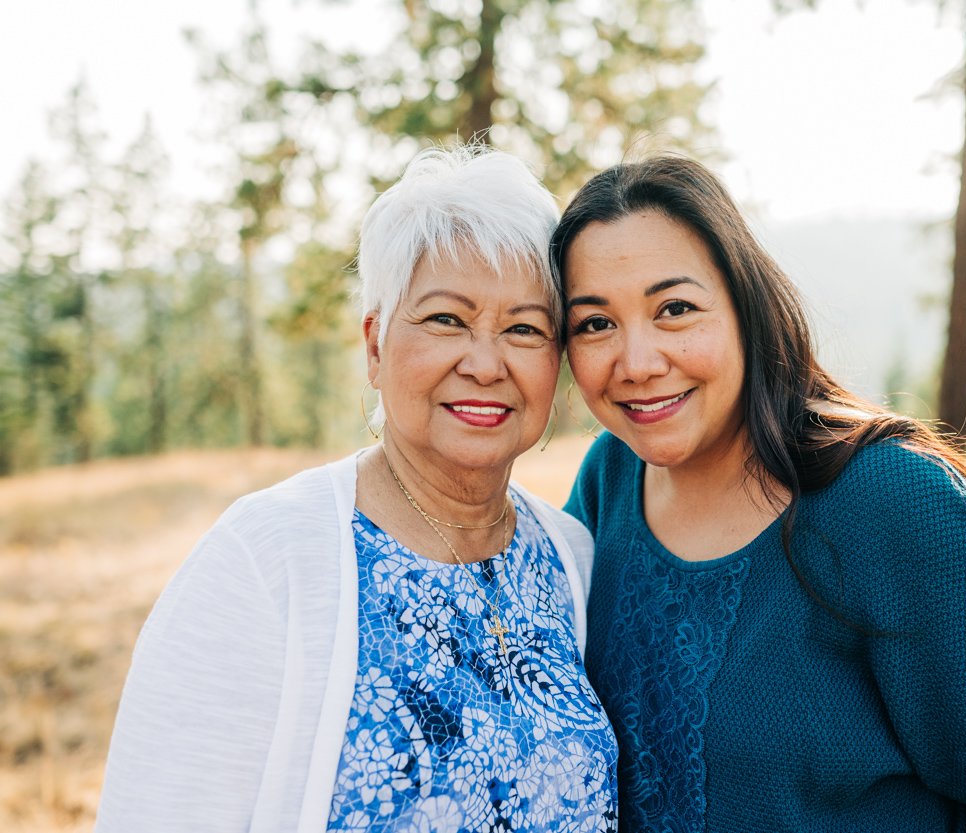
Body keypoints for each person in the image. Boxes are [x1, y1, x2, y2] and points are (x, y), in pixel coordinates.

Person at [96, 146, 618, 833]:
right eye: (445, 320)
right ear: (374, 345)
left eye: (523, 327)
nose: (486, 362)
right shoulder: (265, 562)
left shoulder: (572, 557)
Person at [551, 155, 966, 832]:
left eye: (675, 308)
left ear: (745, 306)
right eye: (595, 323)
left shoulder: (900, 503)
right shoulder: (607, 480)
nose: (638, 362)